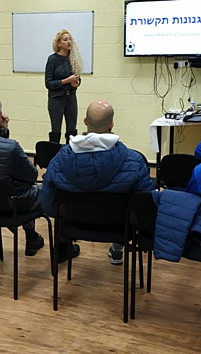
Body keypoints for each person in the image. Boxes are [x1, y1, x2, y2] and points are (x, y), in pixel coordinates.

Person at [0, 91, 78, 261]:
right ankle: (62, 247)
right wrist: (4, 133)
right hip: (10, 203)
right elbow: (31, 175)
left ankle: (33, 238)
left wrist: (2, 132)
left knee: (15, 185)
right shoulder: (11, 147)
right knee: (52, 191)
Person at [41, 100, 154, 265]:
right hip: (119, 229)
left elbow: (48, 203)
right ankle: (117, 249)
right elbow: (146, 205)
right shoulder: (134, 161)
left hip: (73, 226)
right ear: (111, 125)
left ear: (85, 121)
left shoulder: (59, 160)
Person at [45, 29, 83, 144]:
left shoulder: (73, 58)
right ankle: (54, 153)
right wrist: (67, 81)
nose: (69, 42)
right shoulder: (53, 59)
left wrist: (76, 83)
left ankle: (70, 153)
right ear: (58, 43)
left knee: (72, 131)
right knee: (56, 131)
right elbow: (48, 83)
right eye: (65, 40)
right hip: (56, 99)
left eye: (70, 39)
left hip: (71, 98)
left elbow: (77, 78)